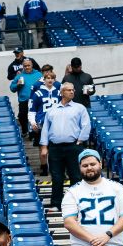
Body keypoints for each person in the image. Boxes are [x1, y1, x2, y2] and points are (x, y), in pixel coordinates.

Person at [41, 83, 91, 212]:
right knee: (57, 177)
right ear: (61, 92)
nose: (72, 92)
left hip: (73, 146)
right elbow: (46, 129)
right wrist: (44, 147)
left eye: (73, 90)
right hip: (55, 148)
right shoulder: (52, 110)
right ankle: (56, 204)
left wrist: (80, 141)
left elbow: (86, 125)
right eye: (69, 90)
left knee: (76, 176)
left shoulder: (80, 108)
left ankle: (76, 204)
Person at [29, 65, 60, 151]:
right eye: (46, 72)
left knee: (54, 146)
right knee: (42, 147)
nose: (49, 78)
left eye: (50, 71)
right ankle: (44, 164)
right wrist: (32, 122)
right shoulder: (36, 85)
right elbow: (32, 105)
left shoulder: (58, 86)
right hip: (41, 119)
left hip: (56, 120)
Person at [10, 59, 42, 139]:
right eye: (25, 66)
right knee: (22, 116)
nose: (27, 67)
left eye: (29, 65)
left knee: (35, 117)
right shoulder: (19, 76)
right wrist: (17, 85)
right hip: (23, 100)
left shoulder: (39, 74)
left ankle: (35, 133)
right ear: (23, 66)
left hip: (36, 100)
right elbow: (12, 88)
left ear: (32, 65)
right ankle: (25, 131)